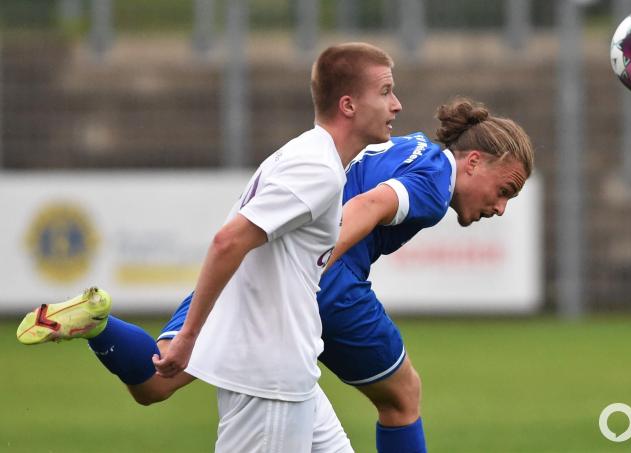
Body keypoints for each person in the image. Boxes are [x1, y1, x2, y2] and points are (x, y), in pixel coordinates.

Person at [16, 41, 402, 453]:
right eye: (385, 92)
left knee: (152, 388)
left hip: (290, 372)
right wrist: (188, 336)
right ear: (348, 105)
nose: (396, 105)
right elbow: (227, 241)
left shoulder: (306, 154)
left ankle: (100, 326)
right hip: (270, 380)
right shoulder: (318, 170)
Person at [152, 97, 534, 453]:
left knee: (160, 375)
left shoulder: (411, 146)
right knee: (403, 397)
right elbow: (368, 205)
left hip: (265, 257)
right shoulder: (437, 183)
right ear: (473, 162)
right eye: (505, 190)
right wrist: (309, 267)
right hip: (329, 280)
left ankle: (97, 322)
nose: (501, 207)